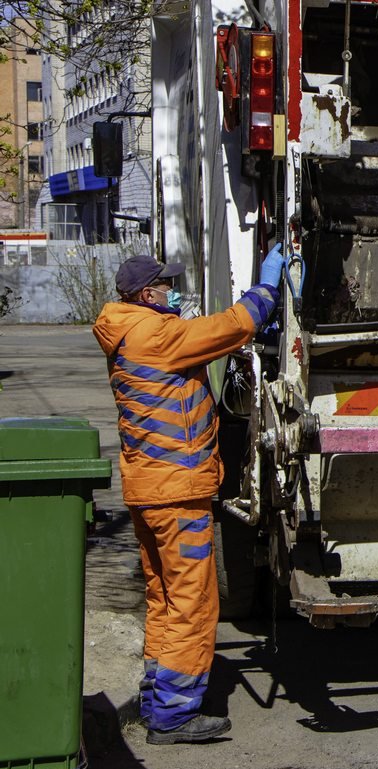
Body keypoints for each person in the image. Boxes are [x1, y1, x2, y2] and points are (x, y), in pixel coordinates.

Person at [92, 246, 285, 744]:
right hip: (177, 493)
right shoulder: (156, 334)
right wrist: (269, 286)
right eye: (166, 286)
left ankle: (158, 695)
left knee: (163, 598)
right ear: (146, 294)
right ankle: (175, 715)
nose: (173, 292)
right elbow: (235, 324)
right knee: (192, 603)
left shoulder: (129, 332)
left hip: (149, 490)